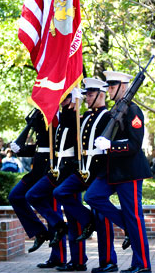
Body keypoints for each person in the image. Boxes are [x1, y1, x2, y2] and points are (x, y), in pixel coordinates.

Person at [84, 71, 152, 273]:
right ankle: (127, 225)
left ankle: (142, 265)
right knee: (93, 196)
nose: (109, 90)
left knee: (135, 217)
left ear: (124, 86)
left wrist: (111, 145)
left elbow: (134, 143)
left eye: (112, 87)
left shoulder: (133, 110)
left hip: (129, 172)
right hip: (112, 172)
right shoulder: (116, 109)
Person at [50, 79, 118, 273]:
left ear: (101, 95)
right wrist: (70, 104)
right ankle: (87, 220)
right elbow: (69, 125)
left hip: (99, 170)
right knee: (60, 192)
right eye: (86, 94)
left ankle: (108, 262)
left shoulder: (108, 116)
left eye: (90, 94)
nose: (86, 97)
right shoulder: (86, 116)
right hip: (83, 169)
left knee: (102, 217)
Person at [25, 91, 88, 271]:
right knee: (34, 196)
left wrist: (74, 104)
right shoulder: (64, 118)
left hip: (71, 171)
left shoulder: (76, 118)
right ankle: (69, 254)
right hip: (59, 169)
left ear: (73, 99)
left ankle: (78, 260)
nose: (62, 102)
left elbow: (70, 124)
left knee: (75, 218)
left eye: (65, 99)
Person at [9, 109, 67, 269]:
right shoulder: (42, 115)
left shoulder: (56, 117)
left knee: (53, 213)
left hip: (51, 170)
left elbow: (52, 147)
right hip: (36, 172)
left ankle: (59, 256)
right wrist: (20, 149)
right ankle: (40, 232)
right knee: (15, 196)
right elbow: (40, 147)